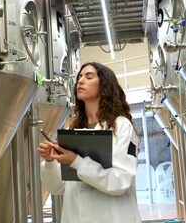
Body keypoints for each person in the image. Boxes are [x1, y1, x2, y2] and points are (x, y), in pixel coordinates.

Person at [37, 62, 141, 223]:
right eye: (79, 77)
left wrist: (76, 161)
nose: (80, 81)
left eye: (89, 76)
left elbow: (120, 181)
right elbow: (56, 187)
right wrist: (50, 161)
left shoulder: (121, 126)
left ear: (104, 85)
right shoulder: (73, 129)